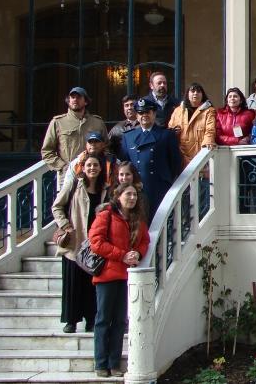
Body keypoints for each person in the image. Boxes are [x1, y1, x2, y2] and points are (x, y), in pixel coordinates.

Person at [89, 183, 149, 378]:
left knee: (120, 321)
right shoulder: (106, 215)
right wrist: (122, 255)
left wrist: (137, 254)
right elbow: (96, 242)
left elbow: (144, 241)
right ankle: (100, 362)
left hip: (126, 276)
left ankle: (114, 363)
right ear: (118, 196)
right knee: (103, 320)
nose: (132, 198)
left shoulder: (137, 219)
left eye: (134, 195)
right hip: (107, 275)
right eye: (128, 194)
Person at [51, 153, 108, 334]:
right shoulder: (74, 185)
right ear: (83, 167)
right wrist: (66, 225)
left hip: (95, 243)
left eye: (96, 165)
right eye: (89, 165)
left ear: (101, 168)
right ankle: (71, 320)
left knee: (91, 283)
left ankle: (91, 318)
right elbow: (57, 206)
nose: (92, 168)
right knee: (73, 282)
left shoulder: (106, 189)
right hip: (75, 242)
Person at [119, 98, 183, 222]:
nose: (144, 116)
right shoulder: (129, 137)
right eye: (141, 113)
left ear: (154, 114)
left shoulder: (166, 135)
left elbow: (175, 162)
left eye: (148, 112)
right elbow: (125, 163)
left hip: (159, 188)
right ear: (137, 116)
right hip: (136, 189)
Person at [41, 87, 108, 188]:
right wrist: (62, 166)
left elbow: (106, 147)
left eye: (79, 97)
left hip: (94, 174)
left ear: (85, 101)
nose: (75, 99)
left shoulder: (98, 123)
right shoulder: (58, 122)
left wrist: (101, 165)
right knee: (69, 203)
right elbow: (47, 151)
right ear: (68, 101)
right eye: (72, 97)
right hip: (69, 175)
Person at [168, 83, 217, 168]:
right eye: (192, 91)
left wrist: (208, 142)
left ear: (202, 94)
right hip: (181, 154)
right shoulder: (178, 111)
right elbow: (170, 128)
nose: (195, 93)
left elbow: (210, 129)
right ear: (187, 94)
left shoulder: (209, 111)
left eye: (198, 91)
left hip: (200, 154)